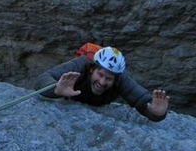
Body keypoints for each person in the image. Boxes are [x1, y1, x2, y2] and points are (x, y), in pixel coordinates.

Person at [34, 46, 169, 122]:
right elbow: (43, 79)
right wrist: (56, 90)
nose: (102, 82)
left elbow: (142, 100)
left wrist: (156, 113)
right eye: (100, 75)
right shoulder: (80, 64)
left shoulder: (121, 79)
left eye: (109, 79)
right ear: (92, 69)